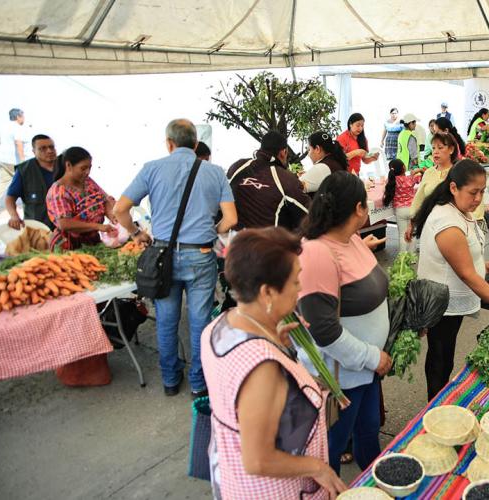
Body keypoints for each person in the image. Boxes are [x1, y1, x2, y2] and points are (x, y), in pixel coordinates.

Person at [201, 227, 345, 499]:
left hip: (232, 478)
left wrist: (277, 343)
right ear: (267, 292)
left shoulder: (219, 326)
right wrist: (318, 468)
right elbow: (258, 460)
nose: (300, 287)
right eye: (294, 281)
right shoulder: (262, 368)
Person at [114, 118, 238, 397]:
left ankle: (170, 381)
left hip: (163, 256)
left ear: (169, 143)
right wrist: (211, 230)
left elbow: (120, 209)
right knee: (199, 320)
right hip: (202, 254)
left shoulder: (152, 168)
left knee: (167, 319)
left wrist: (136, 234)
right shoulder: (215, 172)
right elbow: (231, 219)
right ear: (195, 145)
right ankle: (198, 383)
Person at [296, 171, 389, 474]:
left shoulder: (350, 240)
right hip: (343, 378)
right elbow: (323, 330)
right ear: (359, 209)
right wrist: (372, 357)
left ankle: (373, 488)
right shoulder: (316, 253)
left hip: (365, 373)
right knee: (331, 447)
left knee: (368, 432)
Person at [411, 160, 489, 399]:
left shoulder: (458, 210)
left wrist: (480, 264)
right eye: (473, 192)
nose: (478, 198)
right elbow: (465, 274)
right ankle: (434, 407)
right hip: (441, 306)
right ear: (453, 188)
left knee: (444, 354)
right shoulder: (447, 222)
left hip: (448, 301)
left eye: (482, 191)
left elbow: (461, 260)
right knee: (440, 358)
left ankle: (439, 399)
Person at [226, 131, 310, 231]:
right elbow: (311, 214)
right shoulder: (286, 178)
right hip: (268, 244)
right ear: (283, 153)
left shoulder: (237, 167)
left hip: (234, 242)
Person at [45, 147, 117, 251]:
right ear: (68, 165)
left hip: (93, 242)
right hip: (68, 246)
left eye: (89, 167)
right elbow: (64, 224)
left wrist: (112, 216)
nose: (87, 172)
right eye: (83, 168)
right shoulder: (58, 191)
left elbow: (104, 200)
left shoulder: (87, 181)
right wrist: (98, 226)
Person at [5, 134, 57, 229]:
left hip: (64, 227)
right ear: (34, 151)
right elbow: (10, 198)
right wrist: (14, 215)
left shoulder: (65, 166)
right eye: (43, 148)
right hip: (38, 227)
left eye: (51, 147)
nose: (49, 151)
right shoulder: (24, 170)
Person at [383, 159, 419, 253]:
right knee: (412, 233)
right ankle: (412, 257)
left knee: (402, 234)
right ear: (404, 167)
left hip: (400, 210)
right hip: (412, 208)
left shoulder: (391, 181)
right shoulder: (410, 179)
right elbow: (419, 178)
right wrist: (417, 171)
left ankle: (403, 257)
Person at [0, 108, 28, 210]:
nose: (24, 118)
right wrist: (23, 161)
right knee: (25, 180)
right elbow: (18, 143)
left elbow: (0, 141)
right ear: (18, 117)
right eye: (23, 116)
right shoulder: (17, 127)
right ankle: (28, 204)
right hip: (12, 160)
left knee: (4, 181)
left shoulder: (4, 127)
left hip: (1, 159)